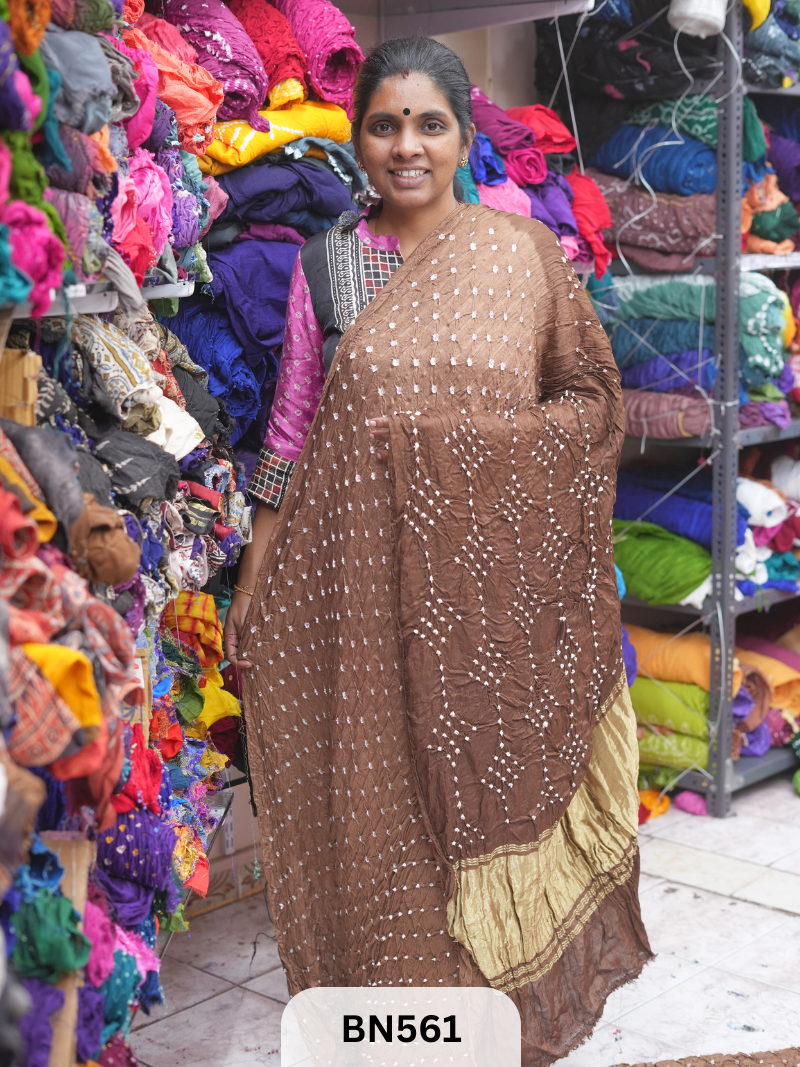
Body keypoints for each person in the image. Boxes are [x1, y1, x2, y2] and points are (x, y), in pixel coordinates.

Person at [224, 36, 651, 1066]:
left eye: (427, 124)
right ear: (359, 136)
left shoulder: (519, 253)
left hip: (491, 598)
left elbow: (588, 400)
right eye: (382, 124)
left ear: (462, 136)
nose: (403, 146)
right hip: (361, 601)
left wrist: (462, 452)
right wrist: (254, 574)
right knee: (385, 825)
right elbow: (292, 429)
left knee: (482, 806)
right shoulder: (327, 262)